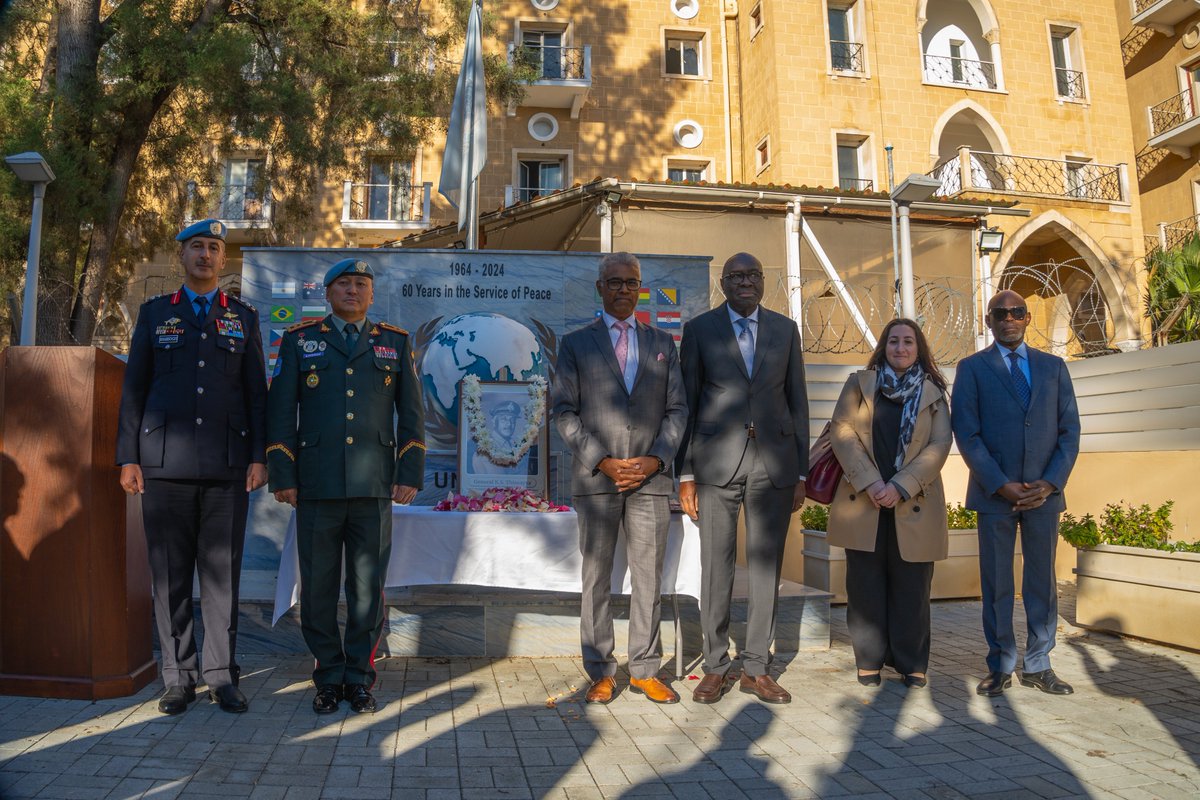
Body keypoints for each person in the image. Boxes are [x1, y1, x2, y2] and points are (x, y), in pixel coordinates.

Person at [116, 218, 267, 715]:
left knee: (222, 578)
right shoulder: (156, 313)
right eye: (197, 246)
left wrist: (258, 456)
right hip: (163, 466)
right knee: (170, 576)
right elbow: (134, 388)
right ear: (182, 255)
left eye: (214, 248)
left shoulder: (242, 317)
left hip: (227, 466)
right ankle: (178, 676)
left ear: (224, 260)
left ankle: (222, 675)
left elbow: (255, 395)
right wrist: (128, 457)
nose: (205, 254)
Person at [266, 257, 425, 715]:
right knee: (317, 589)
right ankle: (328, 677)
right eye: (343, 284)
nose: (353, 290)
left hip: (374, 485)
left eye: (361, 284)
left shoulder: (394, 342)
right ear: (327, 293)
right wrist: (284, 474)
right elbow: (281, 413)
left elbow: (411, 414)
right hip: (315, 485)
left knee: (366, 589)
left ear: (371, 294)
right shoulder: (300, 341)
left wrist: (408, 472)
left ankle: (359, 678)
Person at [551, 252, 688, 705]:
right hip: (598, 480)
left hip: (650, 480)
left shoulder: (664, 342)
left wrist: (656, 460)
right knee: (596, 578)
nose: (624, 289)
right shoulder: (575, 344)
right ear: (600, 288)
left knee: (648, 576)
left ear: (640, 287)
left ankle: (646, 669)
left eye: (631, 282)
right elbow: (564, 412)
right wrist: (603, 460)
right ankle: (601, 671)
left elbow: (677, 411)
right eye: (615, 282)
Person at [677, 252, 809, 705]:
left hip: (773, 465)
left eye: (753, 275)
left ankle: (756, 667)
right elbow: (688, 404)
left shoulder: (785, 330)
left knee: (767, 568)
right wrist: (687, 473)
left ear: (763, 281)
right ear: (723, 283)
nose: (745, 282)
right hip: (716, 466)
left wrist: (801, 472)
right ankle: (715, 666)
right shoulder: (699, 330)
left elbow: (798, 402)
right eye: (736, 276)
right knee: (716, 567)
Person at [952, 289, 1081, 697]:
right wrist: (1001, 484)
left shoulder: (1054, 367)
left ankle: (1039, 663)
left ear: (1027, 318)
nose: (1009, 318)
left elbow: (1069, 430)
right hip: (995, 495)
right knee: (997, 583)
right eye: (1000, 313)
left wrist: (1050, 482)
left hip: (1044, 495)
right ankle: (1001, 663)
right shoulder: (971, 368)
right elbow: (967, 434)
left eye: (1017, 312)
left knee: (1042, 581)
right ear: (989, 321)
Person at [828, 319, 952, 689]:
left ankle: (911, 662)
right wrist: (872, 482)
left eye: (908, 342)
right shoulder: (860, 384)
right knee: (865, 586)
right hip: (864, 499)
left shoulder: (932, 391)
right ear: (883, 346)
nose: (900, 348)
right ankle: (869, 659)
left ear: (919, 348)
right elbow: (842, 430)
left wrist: (900, 486)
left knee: (912, 587)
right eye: (894, 341)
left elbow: (940, 444)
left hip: (912, 502)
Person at [469, 400, 535, 475]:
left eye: (512, 420)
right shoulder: (485, 447)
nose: (509, 424)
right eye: (504, 419)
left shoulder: (516, 443)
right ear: (494, 421)